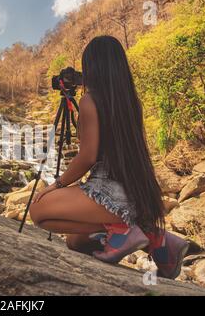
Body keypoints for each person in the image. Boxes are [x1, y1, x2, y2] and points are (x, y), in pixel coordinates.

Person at [29, 36, 189, 279]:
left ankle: (122, 229)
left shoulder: (90, 101)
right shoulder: (129, 102)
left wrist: (57, 185)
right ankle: (157, 241)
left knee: (39, 210)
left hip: (109, 194)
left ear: (92, 66)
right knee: (77, 243)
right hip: (134, 195)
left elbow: (88, 156)